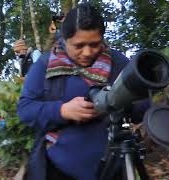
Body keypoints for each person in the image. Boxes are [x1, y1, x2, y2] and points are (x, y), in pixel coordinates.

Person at [17, 3, 149, 180]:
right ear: (64, 38)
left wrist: (118, 103)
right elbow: (25, 110)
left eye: (94, 44)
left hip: (113, 168)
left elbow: (143, 105)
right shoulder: (45, 64)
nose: (87, 52)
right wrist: (62, 111)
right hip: (56, 169)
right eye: (78, 45)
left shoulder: (118, 63)